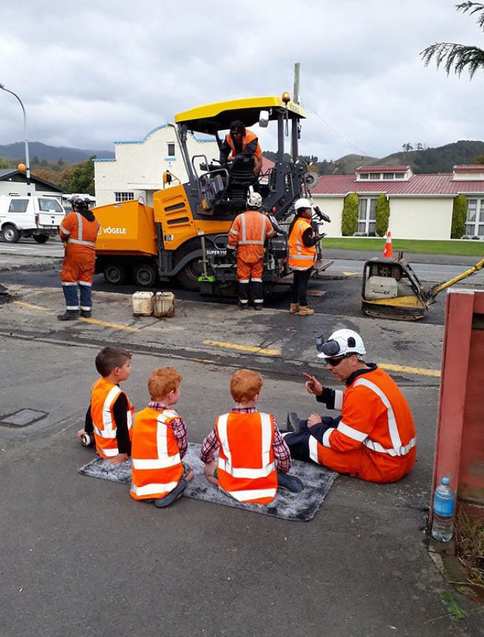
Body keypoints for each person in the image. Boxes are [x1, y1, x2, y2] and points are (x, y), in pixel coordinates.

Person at [283, 329, 417, 483]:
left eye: (334, 361)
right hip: (398, 458)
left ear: (353, 359)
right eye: (327, 361)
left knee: (308, 444)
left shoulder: (362, 391)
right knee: (334, 422)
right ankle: (301, 428)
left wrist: (317, 428)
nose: (329, 367)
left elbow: (343, 443)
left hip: (381, 465)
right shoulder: (375, 375)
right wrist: (322, 393)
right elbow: (356, 406)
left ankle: (278, 439)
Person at [200, 369, 296, 505]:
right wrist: (282, 470)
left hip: (232, 484)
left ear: (232, 395)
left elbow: (206, 450)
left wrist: (209, 461)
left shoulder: (222, 421)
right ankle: (273, 481)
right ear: (256, 396)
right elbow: (283, 454)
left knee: (208, 469)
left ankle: (231, 490)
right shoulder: (268, 421)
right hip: (264, 488)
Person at [130, 367, 193, 508]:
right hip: (166, 478)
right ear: (171, 394)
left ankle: (150, 493)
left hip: (141, 484)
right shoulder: (173, 419)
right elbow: (182, 447)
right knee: (189, 472)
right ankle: (173, 490)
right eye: (179, 389)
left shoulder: (137, 417)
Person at [77, 346, 134, 464]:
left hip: (102, 443)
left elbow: (91, 410)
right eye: (128, 366)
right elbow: (122, 428)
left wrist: (88, 429)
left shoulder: (97, 385)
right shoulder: (118, 396)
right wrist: (122, 453)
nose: (130, 368)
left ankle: (90, 436)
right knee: (146, 424)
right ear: (117, 371)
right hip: (115, 449)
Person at [227, 189, 275, 310]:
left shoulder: (239, 218)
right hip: (258, 253)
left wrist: (230, 249)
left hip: (243, 253)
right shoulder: (264, 219)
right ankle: (258, 303)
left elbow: (233, 236)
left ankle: (243, 303)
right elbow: (270, 234)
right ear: (259, 205)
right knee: (257, 278)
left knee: (243, 279)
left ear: (248, 203)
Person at [58, 195, 99, 321]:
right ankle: (86, 310)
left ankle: (72, 310)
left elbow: (63, 233)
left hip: (75, 254)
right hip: (90, 255)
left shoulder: (72, 216)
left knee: (68, 280)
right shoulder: (95, 221)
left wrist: (65, 240)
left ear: (75, 206)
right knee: (85, 281)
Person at [287, 198, 321, 317]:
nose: (311, 211)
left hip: (295, 259)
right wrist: (316, 238)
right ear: (303, 212)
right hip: (304, 261)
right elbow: (307, 243)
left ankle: (294, 306)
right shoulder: (305, 226)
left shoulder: (296, 223)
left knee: (296, 283)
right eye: (309, 209)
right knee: (302, 284)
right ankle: (303, 307)